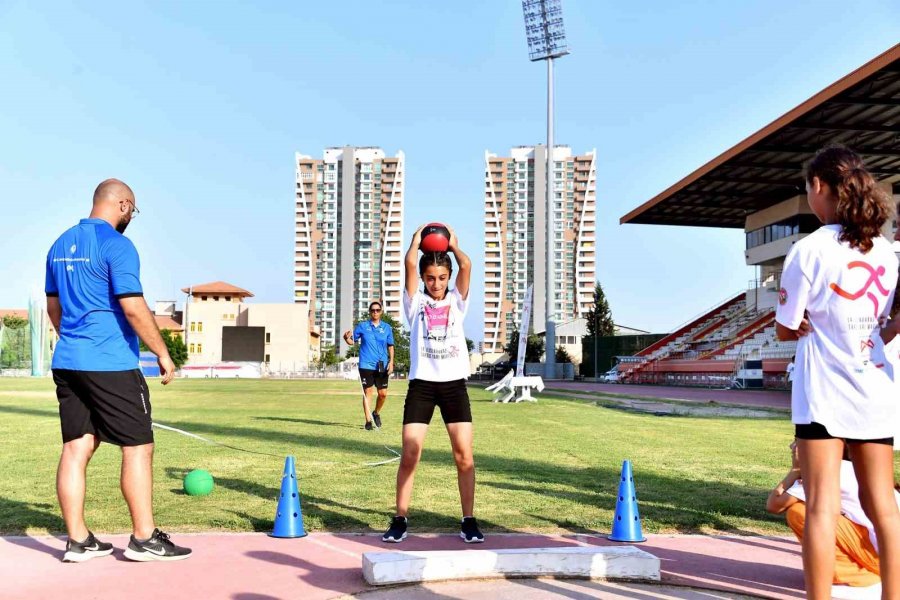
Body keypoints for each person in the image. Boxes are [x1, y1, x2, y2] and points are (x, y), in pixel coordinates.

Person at [775, 146, 900, 598]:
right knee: (883, 504)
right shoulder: (884, 251)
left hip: (825, 391)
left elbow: (786, 329)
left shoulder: (809, 249)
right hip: (874, 385)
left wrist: (803, 323)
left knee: (823, 506)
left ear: (819, 187)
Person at [45, 179, 191, 562]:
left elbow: (54, 308)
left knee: (77, 447)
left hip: (69, 361)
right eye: (133, 210)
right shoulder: (118, 245)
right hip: (110, 363)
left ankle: (78, 540)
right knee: (138, 446)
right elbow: (132, 306)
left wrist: (75, 342)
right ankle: (144, 538)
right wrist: (162, 352)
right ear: (123, 205)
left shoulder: (60, 244)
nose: (131, 217)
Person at [381, 224, 483, 544]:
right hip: (422, 386)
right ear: (424, 279)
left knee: (463, 455)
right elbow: (410, 263)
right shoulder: (415, 305)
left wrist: (452, 244)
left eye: (441, 278)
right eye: (430, 278)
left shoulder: (457, 301)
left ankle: (468, 520)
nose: (436, 284)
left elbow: (467, 265)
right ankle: (400, 518)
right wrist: (415, 241)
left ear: (447, 278)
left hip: (454, 385)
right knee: (410, 453)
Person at [767, 440, 897, 594]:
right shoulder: (852, 468)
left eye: (798, 441)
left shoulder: (824, 470)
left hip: (880, 559)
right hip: (890, 554)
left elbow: (774, 505)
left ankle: (858, 577)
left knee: (799, 513)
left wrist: (796, 469)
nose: (792, 446)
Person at [343, 300, 395, 430]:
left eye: (378, 310)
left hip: (382, 364)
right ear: (370, 312)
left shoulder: (387, 328)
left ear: (381, 311)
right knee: (368, 391)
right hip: (366, 364)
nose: (375, 312)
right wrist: (346, 338)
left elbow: (391, 346)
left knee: (383, 394)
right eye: (373, 310)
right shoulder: (362, 326)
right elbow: (352, 342)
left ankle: (376, 413)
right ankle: (368, 422)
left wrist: (392, 362)